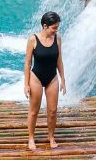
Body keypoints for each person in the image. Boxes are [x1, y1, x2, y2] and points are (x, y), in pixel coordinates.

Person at [23, 11, 66, 151]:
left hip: (52, 78)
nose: (56, 30)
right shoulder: (33, 39)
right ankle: (31, 138)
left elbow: (59, 60)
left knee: (52, 110)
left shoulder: (58, 38)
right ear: (44, 26)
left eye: (57, 27)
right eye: (54, 27)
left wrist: (63, 79)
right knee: (34, 111)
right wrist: (26, 84)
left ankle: (51, 137)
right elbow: (28, 63)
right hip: (36, 77)